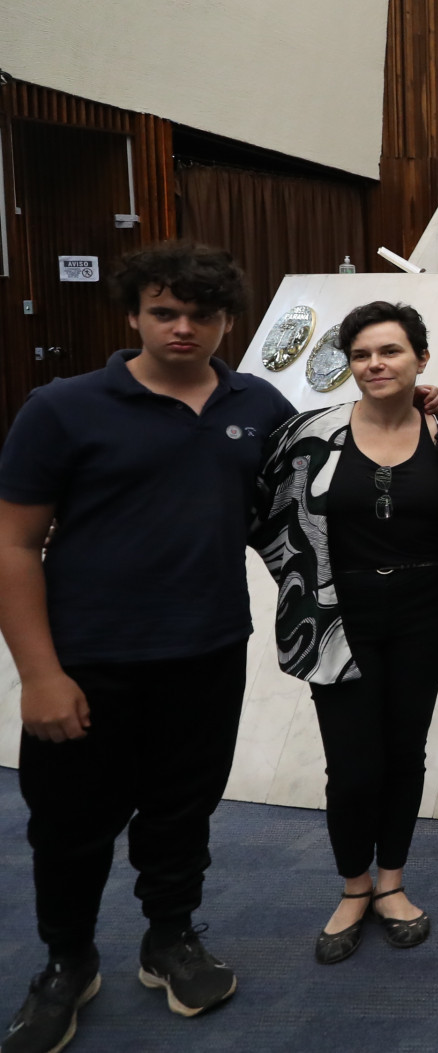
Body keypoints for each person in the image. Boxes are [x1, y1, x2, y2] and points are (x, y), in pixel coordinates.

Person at [0, 244, 290, 1045]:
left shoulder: (258, 404)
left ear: (227, 319)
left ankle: (170, 938)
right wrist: (38, 673)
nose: (183, 327)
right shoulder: (62, 407)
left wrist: (417, 399)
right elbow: (14, 545)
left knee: (181, 812)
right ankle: (67, 960)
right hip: (87, 662)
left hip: (207, 654)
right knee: (68, 826)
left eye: (202, 313)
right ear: (133, 315)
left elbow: (318, 475)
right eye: (165, 311)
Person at [252, 301, 438, 966]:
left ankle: (392, 881)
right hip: (341, 616)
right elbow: (267, 516)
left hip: (426, 611)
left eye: (390, 351)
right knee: (353, 763)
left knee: (406, 753)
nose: (375, 364)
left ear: (420, 358)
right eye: (362, 353)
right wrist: (299, 589)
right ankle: (353, 885)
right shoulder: (310, 433)